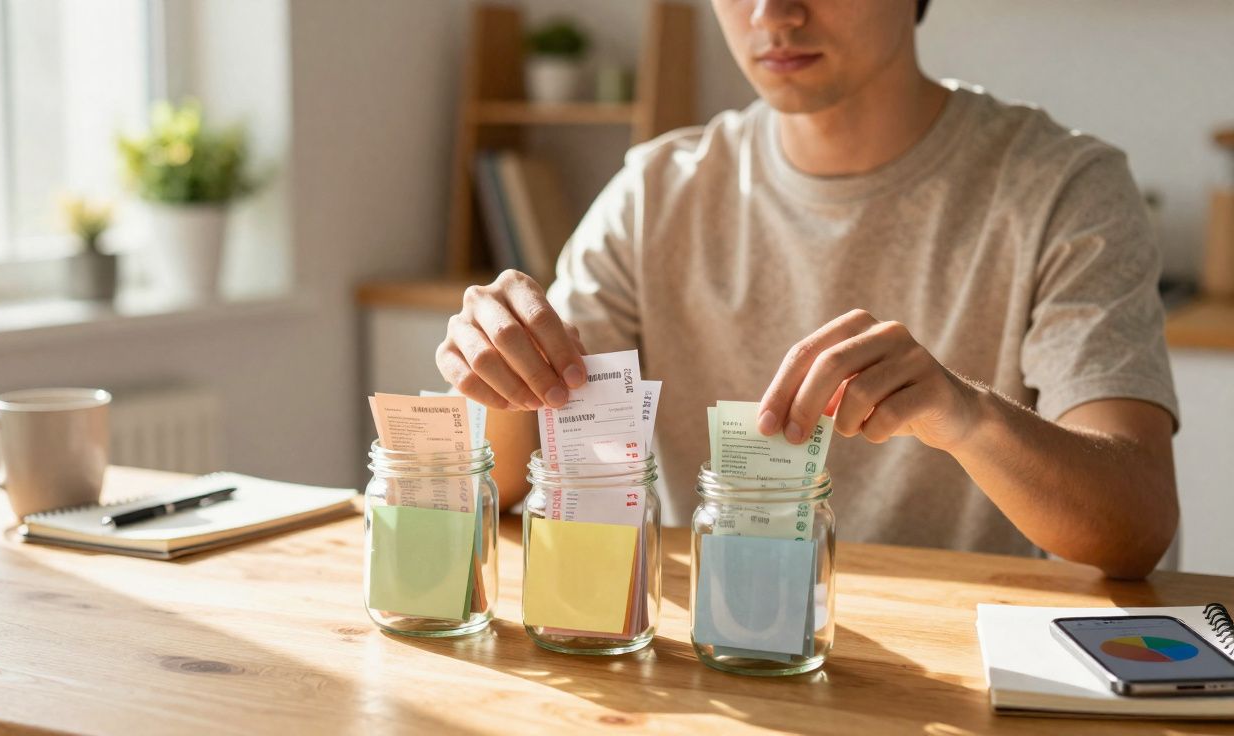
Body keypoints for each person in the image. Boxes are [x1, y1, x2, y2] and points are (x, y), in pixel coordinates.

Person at [436, 0, 1178, 579]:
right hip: (725, 650)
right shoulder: (655, 192)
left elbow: (1135, 525)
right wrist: (499, 371)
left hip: (960, 662)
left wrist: (967, 415)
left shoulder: (1063, 189)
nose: (774, 15)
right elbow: (488, 485)